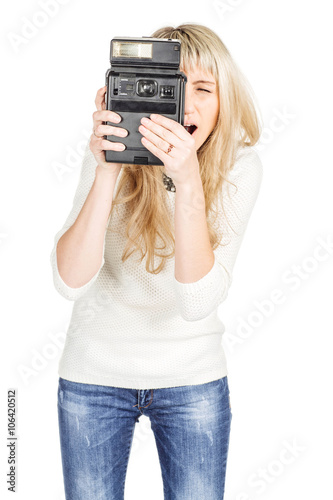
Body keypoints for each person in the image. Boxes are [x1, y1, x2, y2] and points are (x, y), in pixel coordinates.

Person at [51, 23, 263, 500]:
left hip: (192, 379)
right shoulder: (107, 152)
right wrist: (108, 169)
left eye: (202, 89)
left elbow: (198, 300)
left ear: (225, 101)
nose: (183, 105)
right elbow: (69, 282)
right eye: (171, 88)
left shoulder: (239, 168)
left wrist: (187, 182)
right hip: (94, 374)